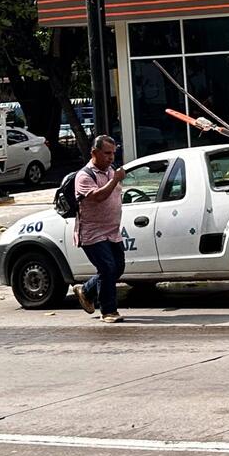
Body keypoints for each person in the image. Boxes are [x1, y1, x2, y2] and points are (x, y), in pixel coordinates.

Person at [72, 134, 128, 323]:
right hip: (92, 232)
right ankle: (109, 311)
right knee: (107, 268)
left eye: (113, 153)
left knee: (117, 268)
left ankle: (86, 290)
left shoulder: (111, 170)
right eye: (106, 153)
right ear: (94, 153)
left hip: (112, 231)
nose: (111, 157)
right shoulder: (84, 175)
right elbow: (98, 197)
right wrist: (115, 180)